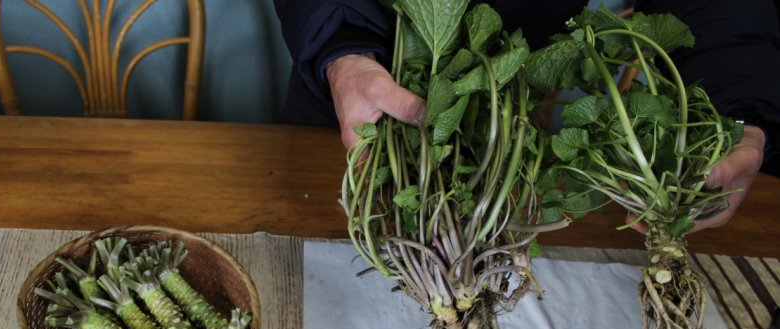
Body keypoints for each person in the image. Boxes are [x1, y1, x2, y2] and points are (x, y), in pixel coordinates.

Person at [272, 0, 780, 233]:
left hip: (505, 118)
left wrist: (738, 112)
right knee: (313, 277)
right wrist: (341, 50)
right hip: (357, 102)